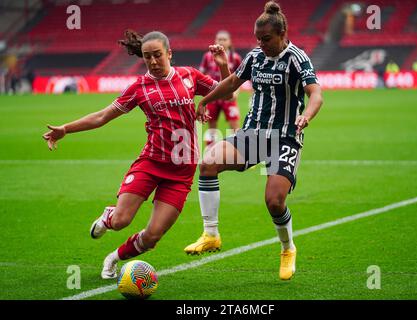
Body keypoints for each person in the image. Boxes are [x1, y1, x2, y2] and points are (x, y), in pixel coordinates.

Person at [42, 30, 231, 279]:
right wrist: (66, 129)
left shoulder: (189, 76)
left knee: (152, 237)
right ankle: (110, 215)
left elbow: (227, 94)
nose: (153, 61)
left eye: (157, 55)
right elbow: (102, 116)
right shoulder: (139, 87)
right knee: (121, 221)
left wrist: (224, 67)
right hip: (151, 163)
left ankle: (113, 258)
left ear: (169, 53)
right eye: (147, 57)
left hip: (182, 172)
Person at [184, 1, 323, 281]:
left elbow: (316, 94)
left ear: (283, 34)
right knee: (208, 163)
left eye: (267, 39)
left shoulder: (297, 58)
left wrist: (306, 115)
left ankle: (287, 248)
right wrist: (205, 100)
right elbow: (233, 82)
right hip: (253, 135)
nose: (261, 44)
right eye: (258, 39)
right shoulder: (255, 56)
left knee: (274, 201)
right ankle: (211, 234)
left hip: (284, 138)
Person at [199, 30, 242, 146]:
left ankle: (240, 151)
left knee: (234, 126)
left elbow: (241, 78)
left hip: (229, 96)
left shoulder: (235, 57)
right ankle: (210, 152)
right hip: (214, 96)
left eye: (224, 39)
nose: (221, 41)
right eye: (219, 39)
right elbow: (201, 75)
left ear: (230, 42)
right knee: (211, 125)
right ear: (215, 41)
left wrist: (236, 94)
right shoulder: (208, 56)